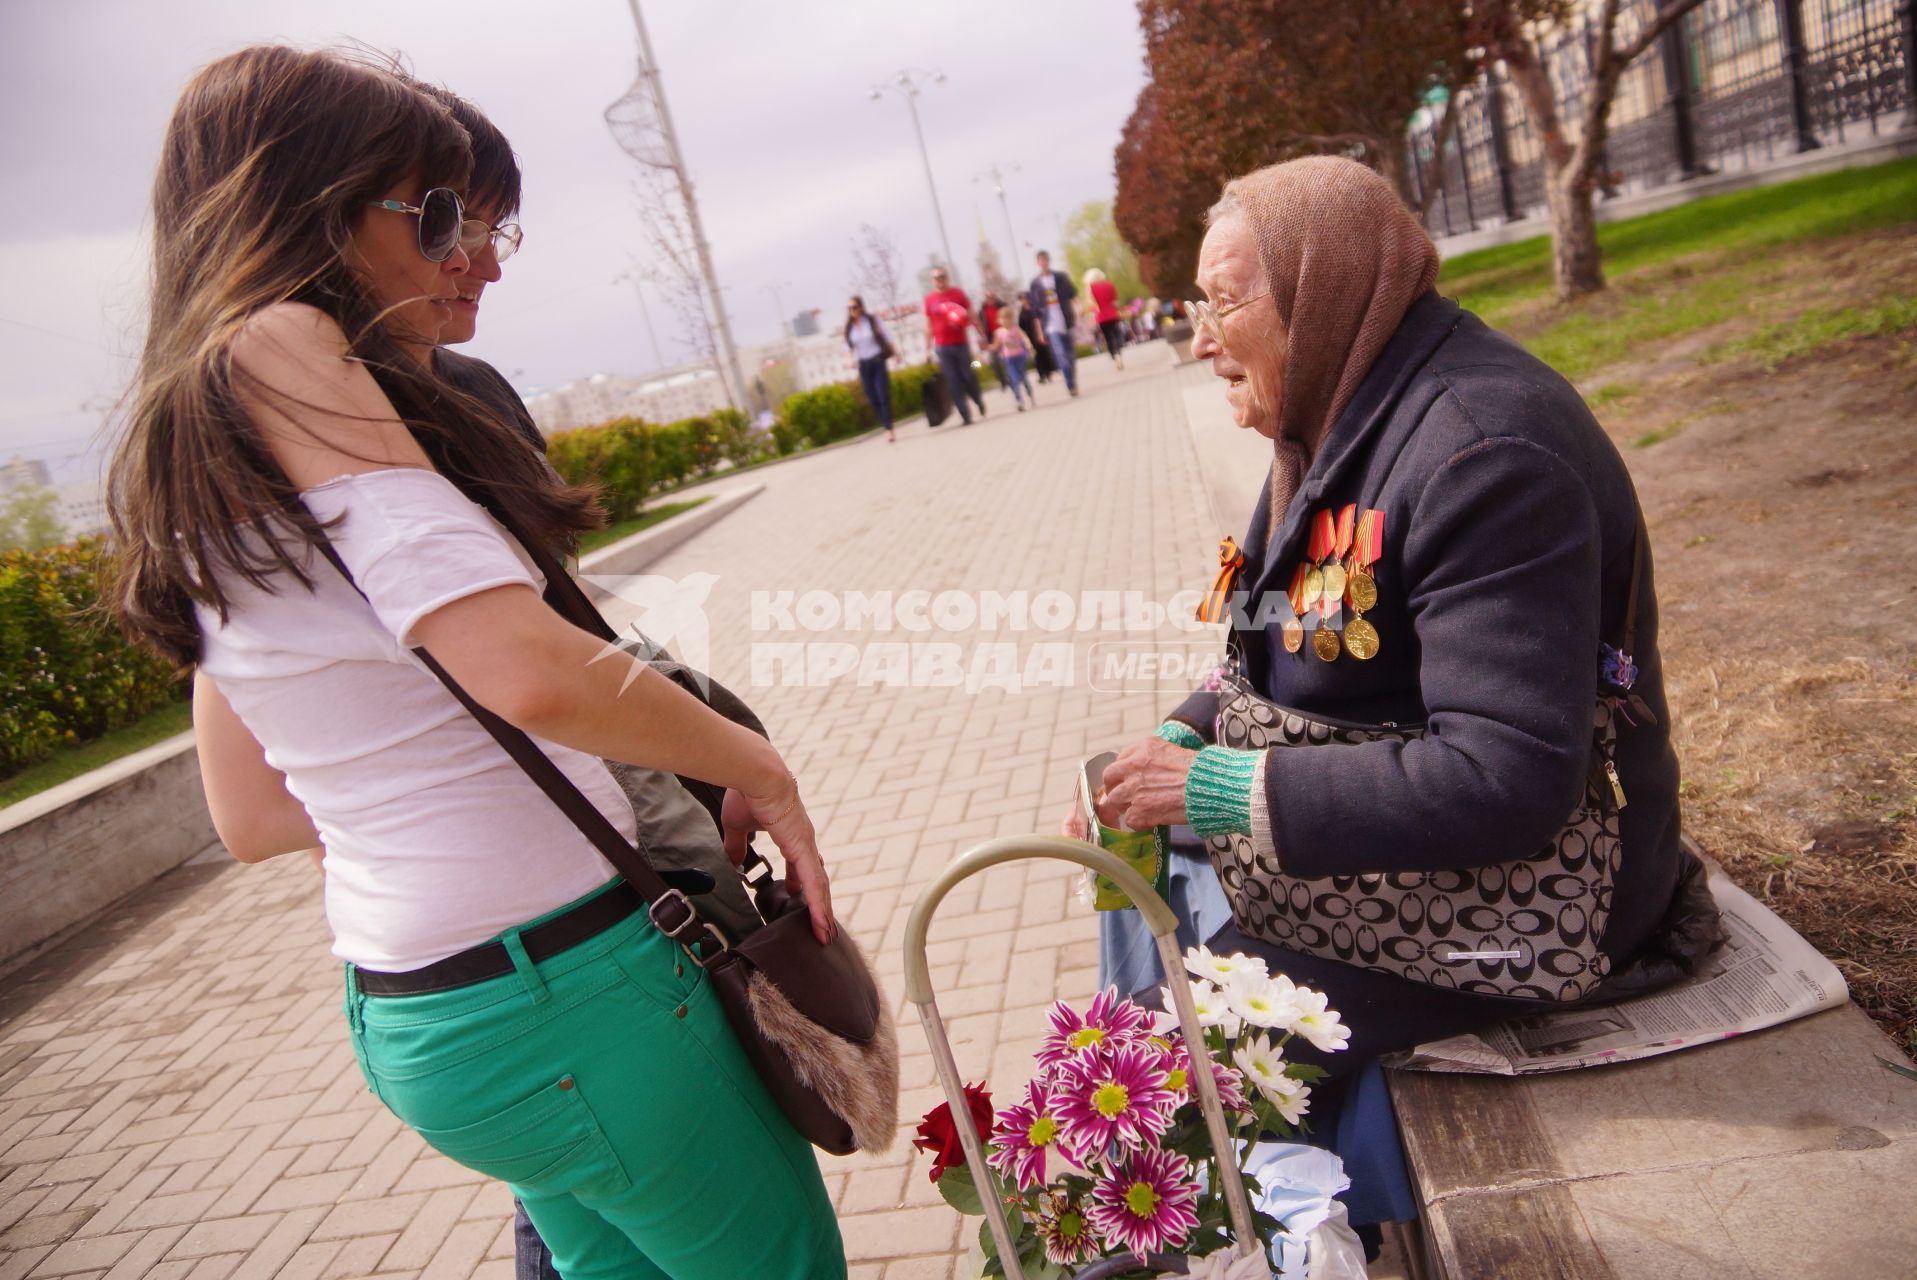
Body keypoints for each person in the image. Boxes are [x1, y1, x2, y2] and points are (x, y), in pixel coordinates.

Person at [109, 46, 847, 1279]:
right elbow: (525, 666)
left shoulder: (200, 431)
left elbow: (247, 812)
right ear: (309, 207)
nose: (464, 251)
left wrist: (415, 795)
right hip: (570, 984)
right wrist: (750, 759)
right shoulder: (284, 347)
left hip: (427, 1006)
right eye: (435, 211)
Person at [1065, 156, 1706, 1149]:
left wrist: (1214, 792)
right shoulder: (1337, 417)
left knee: (1163, 1074)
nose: (1197, 341)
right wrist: (1167, 748)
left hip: (1544, 896)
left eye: (1224, 305)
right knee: (1142, 938)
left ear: (1322, 296)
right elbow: (1253, 652)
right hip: (1402, 856)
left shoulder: (1484, 452)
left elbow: (1508, 777)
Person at [922, 265, 986, 425]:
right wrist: (927, 350)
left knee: (969, 373)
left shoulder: (957, 293)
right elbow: (928, 326)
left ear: (947, 278)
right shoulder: (929, 300)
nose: (940, 280)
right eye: (936, 278)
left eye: (942, 276)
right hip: (942, 347)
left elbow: (971, 315)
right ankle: (965, 414)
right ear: (933, 281)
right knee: (953, 381)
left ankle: (977, 398)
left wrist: (982, 335)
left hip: (961, 344)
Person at [844, 295, 896, 442]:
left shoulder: (872, 320)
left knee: (882, 395)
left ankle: (888, 428)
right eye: (849, 308)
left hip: (878, 361)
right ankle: (885, 423)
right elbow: (847, 347)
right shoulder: (849, 327)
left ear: (861, 307)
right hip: (864, 365)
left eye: (854, 307)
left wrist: (895, 353)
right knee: (873, 398)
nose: (852, 311)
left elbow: (887, 336)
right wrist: (849, 360)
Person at [1026, 250, 1078, 397]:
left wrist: (1078, 308)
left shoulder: (1060, 277)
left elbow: (1072, 294)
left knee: (1070, 355)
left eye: (1045, 260)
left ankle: (1072, 380)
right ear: (1037, 263)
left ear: (1048, 261)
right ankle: (1070, 385)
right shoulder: (1035, 284)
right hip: (1049, 323)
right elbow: (1036, 311)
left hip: (1065, 318)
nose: (1043, 263)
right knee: (1060, 355)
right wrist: (1039, 331)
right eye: (1040, 261)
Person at [987, 302, 1036, 412]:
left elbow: (1024, 337)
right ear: (998, 320)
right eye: (1002, 319)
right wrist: (988, 347)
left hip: (1019, 357)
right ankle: (1019, 401)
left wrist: (1029, 345)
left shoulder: (1016, 329)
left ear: (1011, 319)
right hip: (1008, 359)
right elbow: (996, 346)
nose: (1004, 321)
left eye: (1007, 318)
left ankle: (1030, 395)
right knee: (1014, 380)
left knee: (1023, 378)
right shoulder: (999, 332)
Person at [1019, 300, 1056, 385]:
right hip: (1031, 337)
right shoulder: (1022, 313)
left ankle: (1048, 373)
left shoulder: (1035, 309)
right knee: (1037, 357)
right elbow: (1021, 326)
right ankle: (1041, 375)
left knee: (1044, 355)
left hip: (1041, 336)